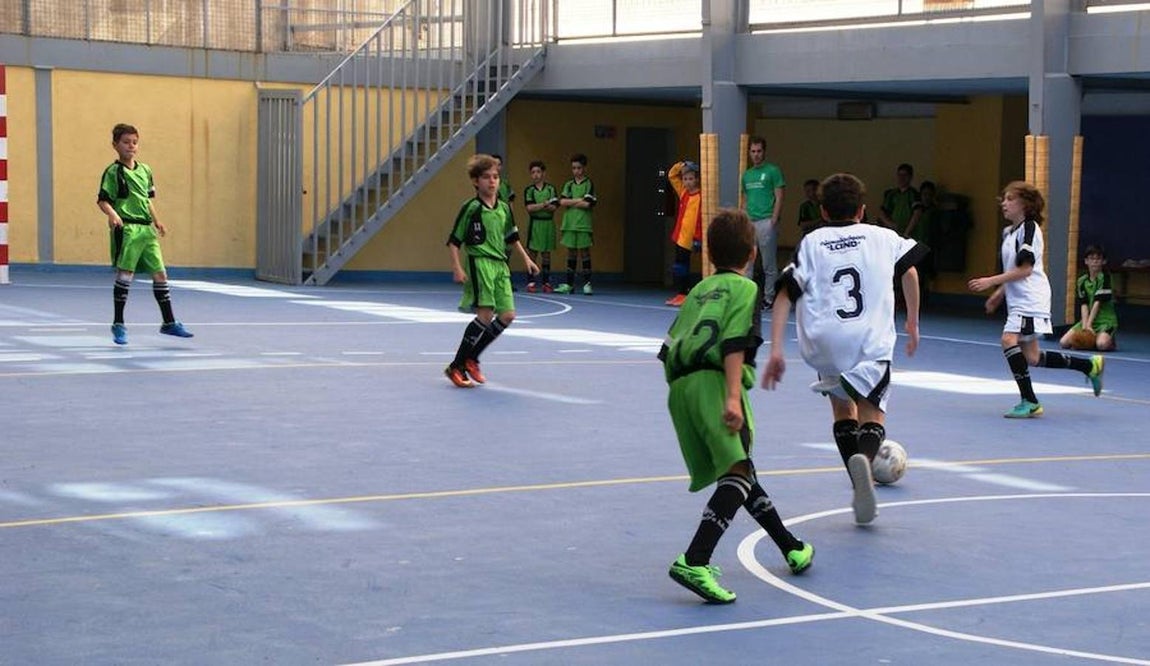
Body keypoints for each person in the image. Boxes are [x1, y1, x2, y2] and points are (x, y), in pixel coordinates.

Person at [660, 208, 814, 604]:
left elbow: (666, 348)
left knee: (741, 468)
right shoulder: (746, 291)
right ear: (751, 254)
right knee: (739, 473)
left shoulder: (698, 289)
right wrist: (731, 395)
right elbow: (734, 344)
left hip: (680, 387)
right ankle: (695, 559)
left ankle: (790, 545)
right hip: (715, 383)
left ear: (709, 254)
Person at [762, 173, 927, 525]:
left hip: (824, 342)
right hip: (868, 338)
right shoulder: (883, 236)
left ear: (822, 210)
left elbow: (784, 295)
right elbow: (909, 272)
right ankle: (865, 464)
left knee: (842, 409)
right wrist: (912, 320)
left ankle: (857, 481)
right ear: (863, 209)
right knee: (873, 412)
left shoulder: (811, 242)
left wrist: (776, 348)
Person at [967, 181, 1105, 418]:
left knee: (1008, 339)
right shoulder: (1008, 233)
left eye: (1010, 199)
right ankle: (1089, 365)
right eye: (1004, 198)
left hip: (1031, 298)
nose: (1004, 203)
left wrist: (991, 282)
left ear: (1025, 204)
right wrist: (999, 294)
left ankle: (1029, 401)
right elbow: (1014, 269)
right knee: (1031, 357)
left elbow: (1026, 270)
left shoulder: (1029, 229)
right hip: (1018, 299)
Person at [444, 154, 539, 388]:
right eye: (486, 177)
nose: (492, 181)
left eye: (495, 177)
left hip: (500, 266)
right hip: (480, 264)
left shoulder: (505, 209)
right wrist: (457, 267)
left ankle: (472, 358)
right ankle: (456, 366)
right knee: (485, 316)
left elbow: (513, 237)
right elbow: (454, 241)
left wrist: (527, 259)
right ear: (476, 181)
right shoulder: (471, 208)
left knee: (507, 315)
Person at [97, 123, 194, 345]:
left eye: (134, 142)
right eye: (125, 142)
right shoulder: (113, 172)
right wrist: (113, 215)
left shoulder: (145, 170)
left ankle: (168, 322)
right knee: (126, 275)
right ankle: (118, 324)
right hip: (128, 228)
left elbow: (146, 199)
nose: (131, 146)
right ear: (115, 145)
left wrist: (157, 220)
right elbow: (102, 200)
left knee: (160, 274)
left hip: (146, 230)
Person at [741, 137, 785, 306]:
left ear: (764, 152)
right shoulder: (747, 175)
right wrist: (743, 219)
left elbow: (779, 196)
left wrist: (774, 218)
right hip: (750, 222)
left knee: (769, 263)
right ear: (749, 153)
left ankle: (769, 297)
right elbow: (745, 199)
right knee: (748, 263)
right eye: (753, 151)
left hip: (767, 221)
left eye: (759, 151)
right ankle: (748, 298)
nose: (756, 155)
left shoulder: (773, 171)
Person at [1060, 245, 1118, 352]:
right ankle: (1093, 339)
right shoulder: (1081, 281)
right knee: (1064, 343)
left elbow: (1097, 303)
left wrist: (1089, 325)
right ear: (1086, 261)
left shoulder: (1105, 277)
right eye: (1091, 258)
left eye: (1098, 259)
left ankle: (1110, 341)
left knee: (1102, 345)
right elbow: (1084, 304)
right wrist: (1085, 326)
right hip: (1088, 319)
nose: (1095, 261)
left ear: (1103, 261)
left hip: (1105, 320)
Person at [554, 153, 597, 295]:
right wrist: (578, 200)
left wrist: (571, 201)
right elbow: (562, 202)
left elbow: (587, 204)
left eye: (579, 168)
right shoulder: (569, 185)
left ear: (584, 168)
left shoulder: (588, 183)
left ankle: (587, 284)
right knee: (571, 253)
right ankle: (569, 284)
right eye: (573, 168)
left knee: (585, 253)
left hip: (583, 224)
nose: (576, 171)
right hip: (569, 224)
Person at [665, 160, 702, 307]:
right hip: (681, 236)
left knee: (684, 266)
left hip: (693, 237)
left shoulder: (701, 196)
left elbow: (700, 219)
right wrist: (682, 165)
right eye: (685, 179)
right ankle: (681, 293)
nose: (687, 182)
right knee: (679, 266)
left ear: (697, 179)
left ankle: (685, 293)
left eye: (691, 178)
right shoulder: (683, 193)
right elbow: (672, 175)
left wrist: (698, 238)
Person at [521, 160, 559, 293]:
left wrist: (545, 206)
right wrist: (544, 205)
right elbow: (530, 208)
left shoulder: (551, 189)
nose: (536, 175)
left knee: (546, 254)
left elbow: (554, 207)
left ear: (543, 173)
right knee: (532, 254)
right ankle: (531, 282)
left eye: (538, 172)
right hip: (535, 224)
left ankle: (546, 282)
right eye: (533, 172)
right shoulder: (529, 190)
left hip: (548, 223)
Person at [877, 163, 923, 235]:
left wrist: (906, 233)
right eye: (899, 175)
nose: (901, 178)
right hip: (894, 233)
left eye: (905, 175)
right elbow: (881, 213)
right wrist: (890, 224)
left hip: (910, 234)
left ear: (910, 177)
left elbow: (917, 214)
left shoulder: (914, 194)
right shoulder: (892, 194)